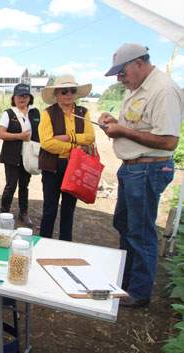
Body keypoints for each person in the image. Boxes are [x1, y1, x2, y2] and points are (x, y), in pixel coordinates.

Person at [98, 43, 184, 308]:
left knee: (141, 232)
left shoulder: (163, 90)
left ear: (139, 63)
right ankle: (127, 279)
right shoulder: (137, 88)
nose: (119, 79)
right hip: (133, 168)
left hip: (148, 168)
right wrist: (115, 123)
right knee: (124, 224)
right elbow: (138, 125)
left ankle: (139, 292)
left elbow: (169, 141)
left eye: (122, 73)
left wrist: (122, 132)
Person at [38, 74, 95, 242]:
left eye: (72, 90)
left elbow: (91, 137)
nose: (69, 94)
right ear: (57, 94)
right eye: (64, 91)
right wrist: (75, 147)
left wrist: (67, 138)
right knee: (49, 210)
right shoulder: (48, 113)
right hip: (53, 167)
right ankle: (44, 244)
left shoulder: (83, 112)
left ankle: (65, 245)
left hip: (75, 166)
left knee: (68, 211)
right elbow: (47, 143)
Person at [0, 83, 40, 226]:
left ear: (29, 98)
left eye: (25, 96)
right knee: (10, 185)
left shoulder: (35, 113)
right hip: (12, 155)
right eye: (19, 96)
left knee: (24, 185)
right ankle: (4, 213)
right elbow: (1, 134)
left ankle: (24, 213)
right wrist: (19, 136)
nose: (22, 99)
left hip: (29, 156)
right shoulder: (8, 113)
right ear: (14, 97)